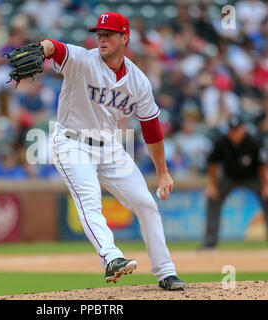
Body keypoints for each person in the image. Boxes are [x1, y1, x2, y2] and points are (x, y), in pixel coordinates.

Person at [39, 12, 185, 290]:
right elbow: (54, 47)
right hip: (72, 143)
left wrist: (163, 173)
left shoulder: (138, 81)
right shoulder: (83, 60)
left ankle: (166, 272)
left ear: (124, 38)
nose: (102, 38)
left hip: (109, 146)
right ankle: (111, 257)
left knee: (146, 204)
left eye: (108, 34)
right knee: (89, 199)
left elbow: (152, 129)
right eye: (99, 34)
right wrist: (42, 48)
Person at [201, 114, 268, 249]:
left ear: (243, 129)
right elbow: (212, 164)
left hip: (253, 176)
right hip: (229, 177)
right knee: (212, 198)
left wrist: (266, 185)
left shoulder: (254, 141)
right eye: (232, 130)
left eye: (237, 130)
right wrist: (213, 186)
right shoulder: (221, 142)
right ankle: (209, 243)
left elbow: (262, 165)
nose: (234, 133)